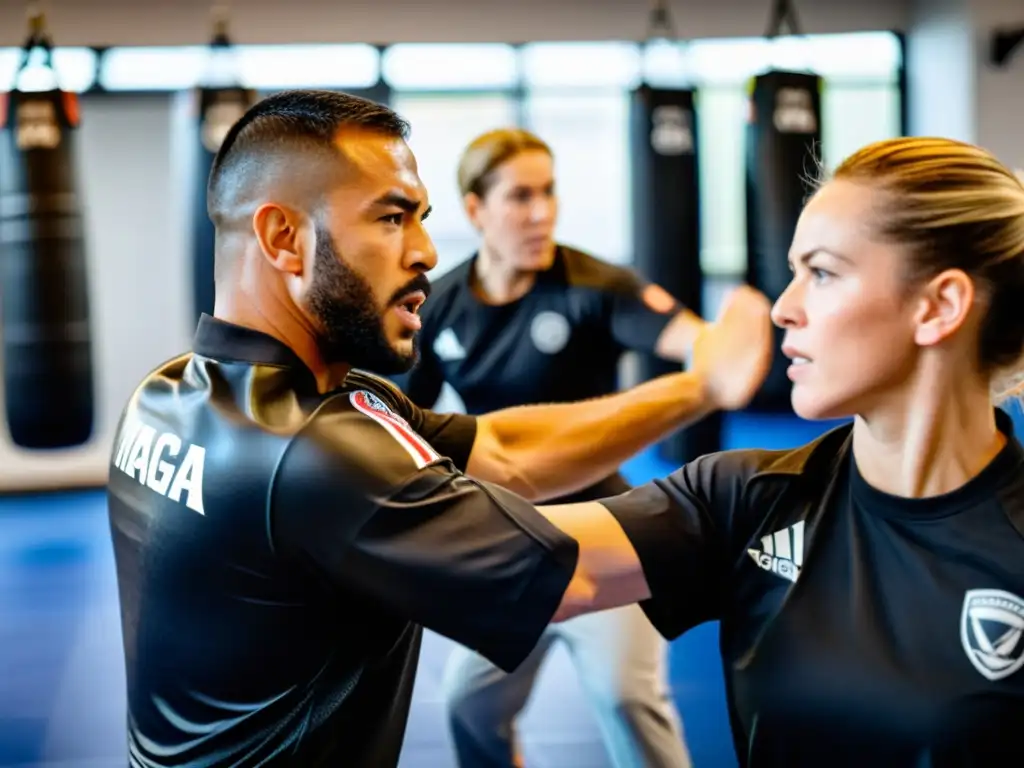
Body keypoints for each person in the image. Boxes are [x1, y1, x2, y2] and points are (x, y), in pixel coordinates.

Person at [105, 89, 773, 767]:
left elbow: (506, 452)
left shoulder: (166, 393)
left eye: (421, 218)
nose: (425, 249)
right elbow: (576, 578)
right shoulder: (319, 451)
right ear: (284, 238)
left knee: (615, 698)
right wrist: (759, 482)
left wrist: (695, 389)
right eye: (392, 218)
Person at [541, 136, 1024, 766]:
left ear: (937, 306)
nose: (784, 308)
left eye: (821, 272)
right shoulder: (747, 497)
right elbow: (508, 561)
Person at [392, 127, 698, 768]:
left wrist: (721, 351)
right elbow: (399, 423)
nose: (542, 213)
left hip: (607, 529)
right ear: (475, 210)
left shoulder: (593, 284)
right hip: (507, 534)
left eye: (550, 193)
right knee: (468, 706)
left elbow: (688, 339)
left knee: (626, 699)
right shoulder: (441, 304)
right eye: (521, 197)